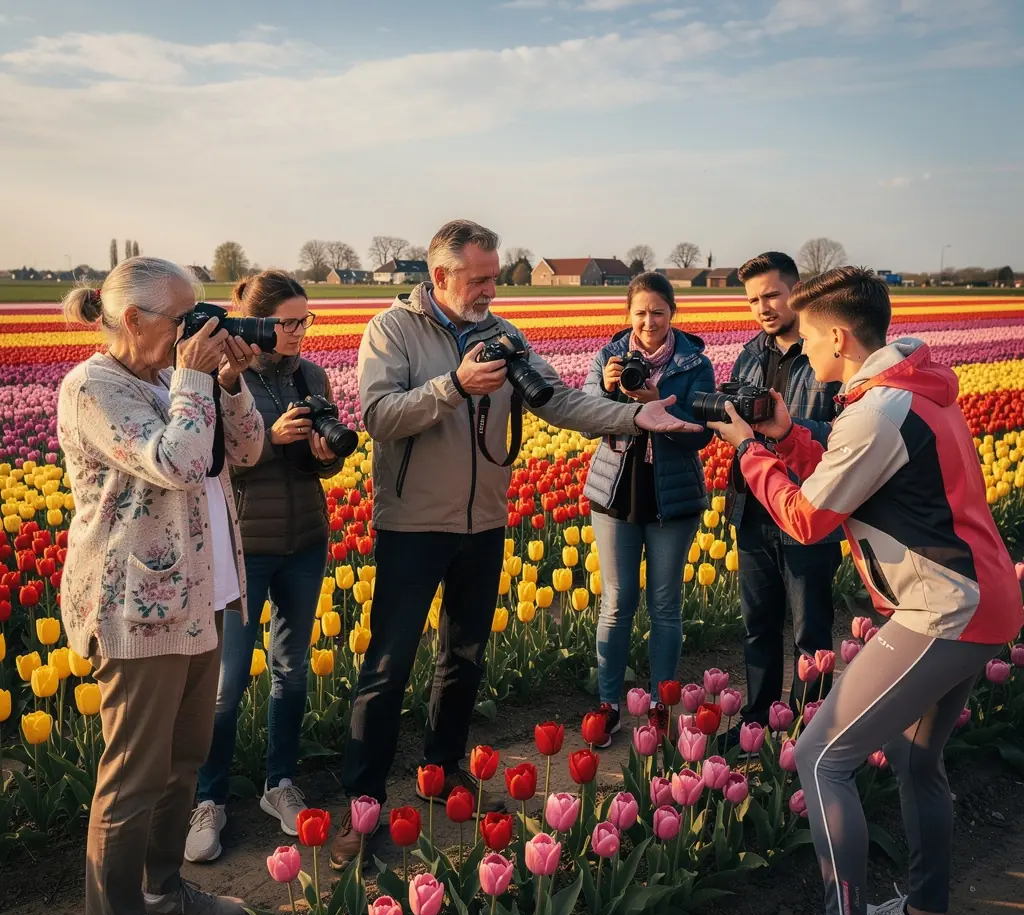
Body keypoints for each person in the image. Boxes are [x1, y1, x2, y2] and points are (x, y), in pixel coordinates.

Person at [330, 220, 701, 868]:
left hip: (483, 521)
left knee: (463, 657)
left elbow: (558, 401)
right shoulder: (393, 331)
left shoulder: (504, 334)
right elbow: (378, 416)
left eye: (494, 278)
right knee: (388, 667)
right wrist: (454, 387)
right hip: (413, 524)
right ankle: (362, 808)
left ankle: (444, 771)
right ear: (440, 276)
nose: (490, 290)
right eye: (479, 279)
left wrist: (632, 415)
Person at [713, 266, 1023, 915]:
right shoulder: (913, 392)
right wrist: (788, 437)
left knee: (820, 758)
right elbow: (853, 479)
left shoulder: (879, 411)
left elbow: (807, 519)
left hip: (944, 609)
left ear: (838, 337)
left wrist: (750, 451)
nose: (802, 350)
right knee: (917, 760)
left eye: (808, 336)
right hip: (983, 600)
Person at [58, 257, 266, 915]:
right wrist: (195, 381)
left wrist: (230, 383)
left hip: (200, 597)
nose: (196, 331)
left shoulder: (170, 377)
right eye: (184, 319)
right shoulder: (94, 388)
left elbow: (246, 451)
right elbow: (174, 462)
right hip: (135, 608)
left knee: (183, 761)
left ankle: (162, 889)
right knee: (135, 774)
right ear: (134, 320)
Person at [186, 270, 342, 863]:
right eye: (287, 322)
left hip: (305, 539)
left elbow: (321, 464)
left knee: (291, 670)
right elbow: (208, 465)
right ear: (256, 320)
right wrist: (269, 438)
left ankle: (280, 784)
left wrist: (322, 454)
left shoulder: (312, 376)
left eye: (305, 321)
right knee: (226, 684)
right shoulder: (219, 377)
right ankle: (209, 799)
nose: (299, 332)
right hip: (243, 546)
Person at [582, 272, 715, 744]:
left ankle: (660, 703)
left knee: (664, 604)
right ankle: (609, 704)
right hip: (616, 492)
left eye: (658, 311)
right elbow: (585, 420)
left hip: (671, 496)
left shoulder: (695, 363)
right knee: (616, 602)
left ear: (672, 312)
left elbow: (702, 433)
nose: (649, 321)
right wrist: (606, 390)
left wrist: (659, 404)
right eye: (640, 312)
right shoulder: (608, 357)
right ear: (628, 314)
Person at [728, 252, 843, 732]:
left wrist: (787, 430)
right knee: (758, 626)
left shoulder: (826, 357)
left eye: (772, 295)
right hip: (753, 508)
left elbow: (846, 433)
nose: (763, 308)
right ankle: (757, 723)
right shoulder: (749, 355)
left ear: (796, 291)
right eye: (753, 300)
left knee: (810, 632)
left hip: (807, 511)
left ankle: (806, 729)